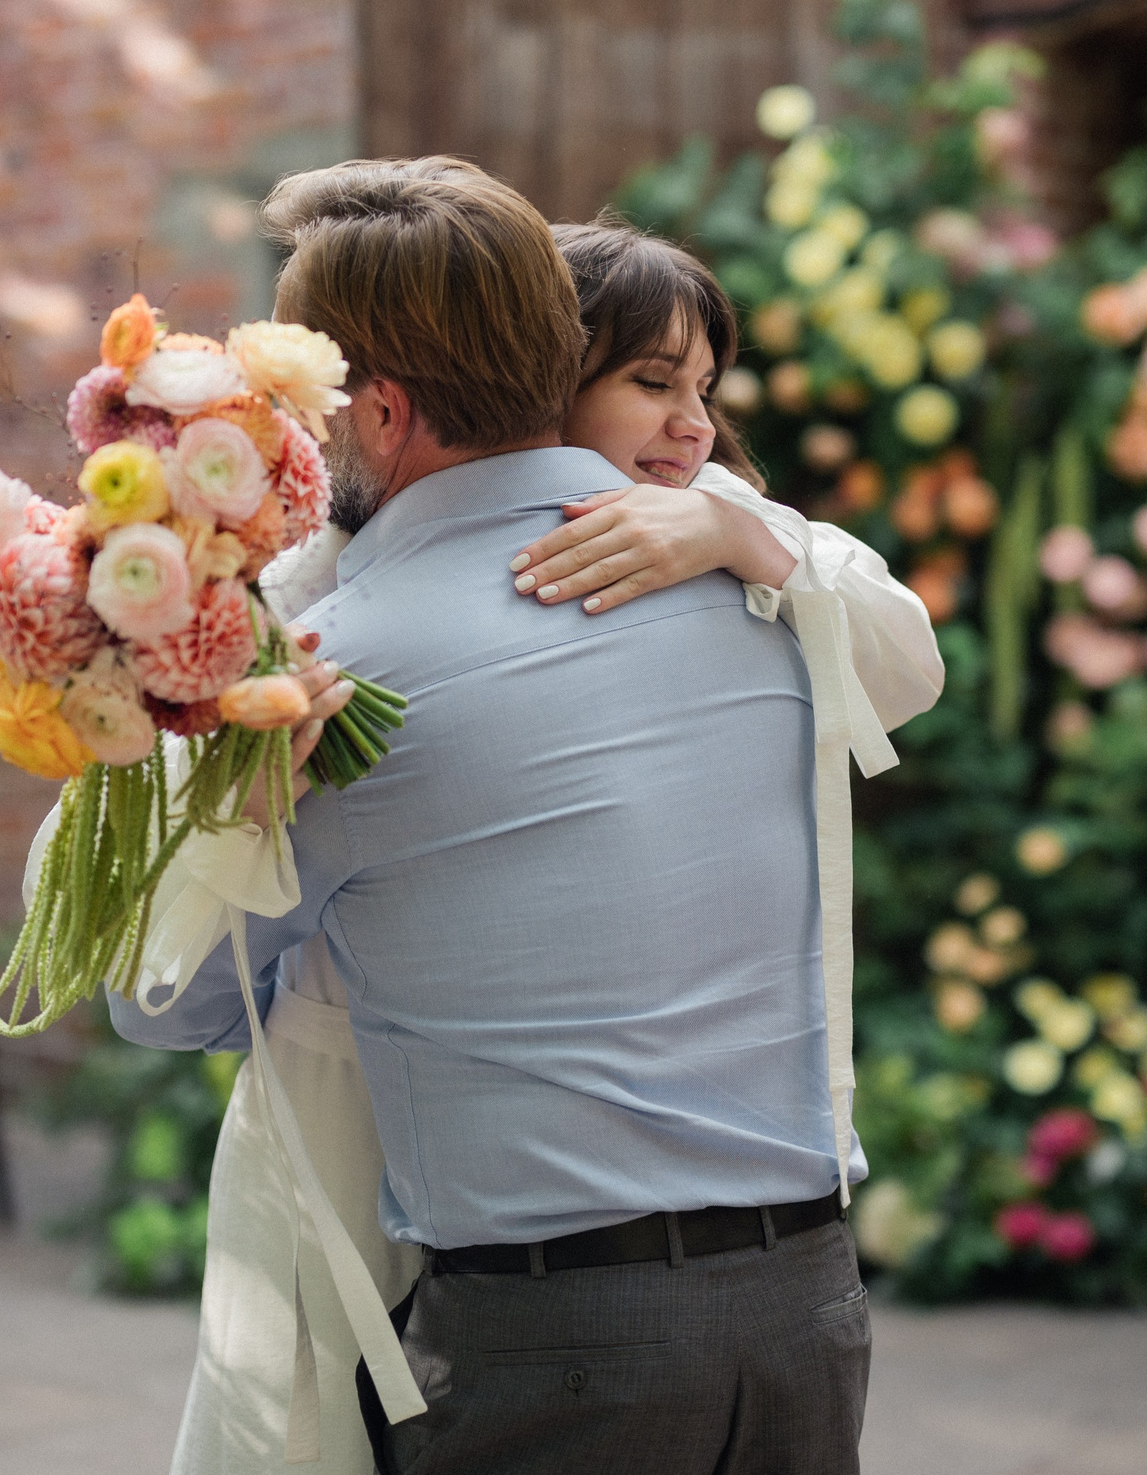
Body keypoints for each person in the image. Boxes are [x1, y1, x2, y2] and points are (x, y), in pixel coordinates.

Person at [108, 159, 903, 1475]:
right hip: (806, 1312)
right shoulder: (766, 588)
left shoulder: (325, 671)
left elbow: (170, 1000)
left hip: (556, 1344)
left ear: (376, 408)